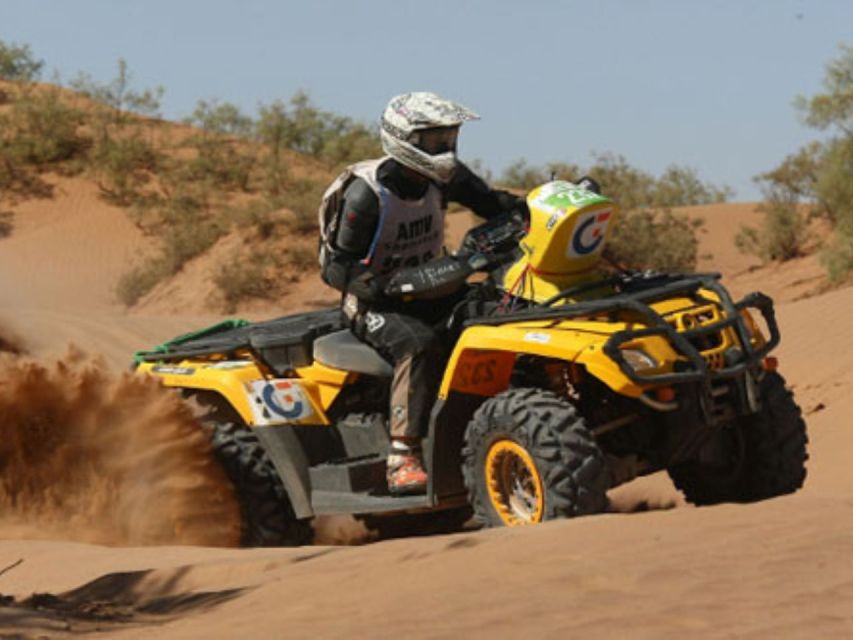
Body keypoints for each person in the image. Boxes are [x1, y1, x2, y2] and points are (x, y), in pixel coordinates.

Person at [319, 92, 524, 495]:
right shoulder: (368, 194)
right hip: (371, 303)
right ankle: (402, 457)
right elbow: (335, 268)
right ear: (403, 139)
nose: (444, 150)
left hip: (434, 286)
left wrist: (535, 208)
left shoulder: (443, 177)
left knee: (496, 307)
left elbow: (492, 204)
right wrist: (385, 286)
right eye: (434, 142)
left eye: (448, 140)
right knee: (417, 343)